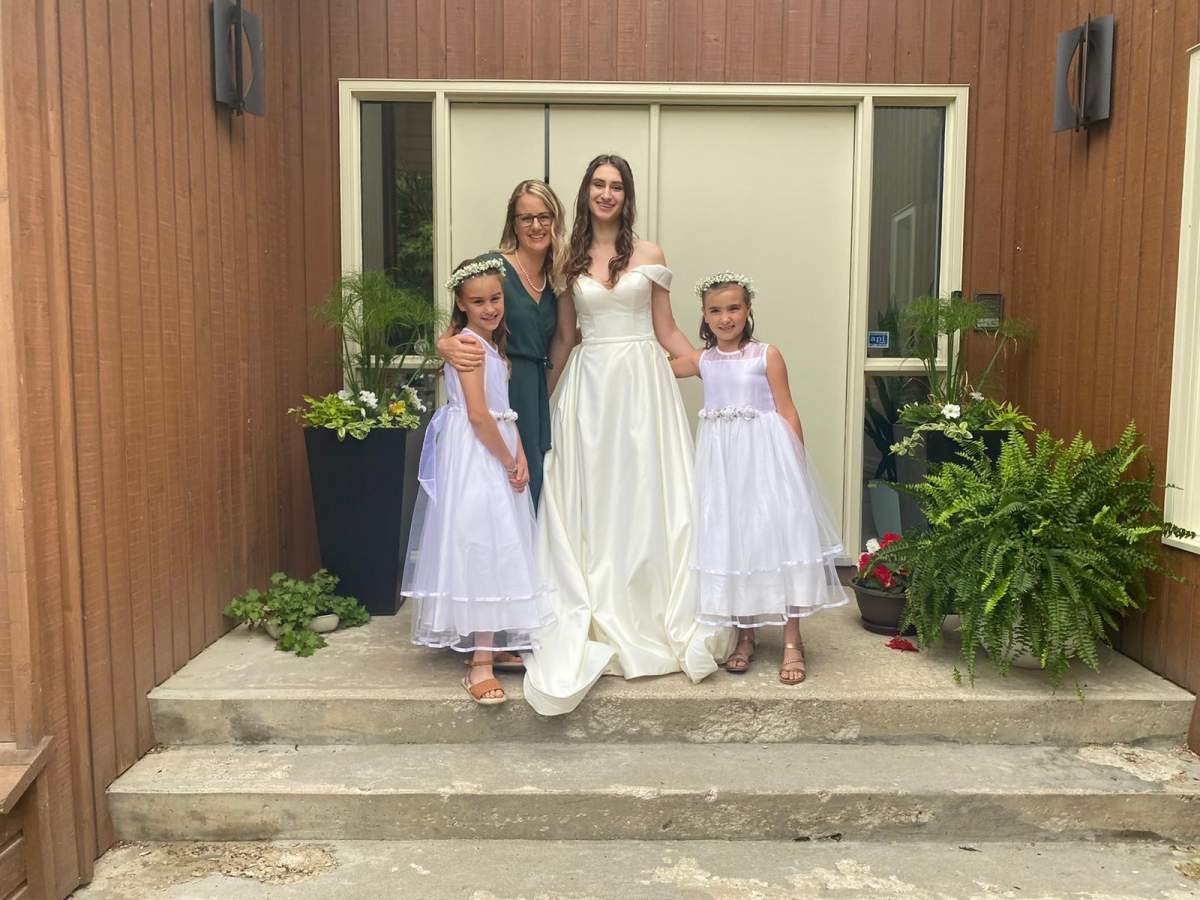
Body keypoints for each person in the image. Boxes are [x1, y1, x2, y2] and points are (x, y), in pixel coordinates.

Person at [522, 155, 730, 716]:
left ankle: (652, 612)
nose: (606, 193)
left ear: (626, 194)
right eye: (598, 184)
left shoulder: (650, 254)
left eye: (616, 185)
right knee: (595, 499)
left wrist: (716, 365)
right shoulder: (566, 260)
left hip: (643, 385)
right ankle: (596, 610)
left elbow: (665, 328)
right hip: (590, 390)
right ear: (586, 191)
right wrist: (540, 402)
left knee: (646, 495)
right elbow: (565, 339)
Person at [670, 272, 848, 682]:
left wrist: (796, 464)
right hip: (723, 465)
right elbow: (653, 368)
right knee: (736, 540)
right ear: (704, 315)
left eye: (733, 308)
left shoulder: (766, 354)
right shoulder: (703, 360)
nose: (725, 318)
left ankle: (791, 641)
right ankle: (745, 635)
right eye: (716, 310)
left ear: (748, 310)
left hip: (766, 459)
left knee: (773, 537)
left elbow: (787, 410)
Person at [402, 257, 553, 705]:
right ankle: (479, 663)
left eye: (496, 299)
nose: (490, 308)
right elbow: (478, 415)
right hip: (479, 457)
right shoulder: (466, 345)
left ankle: (493, 644)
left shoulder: (493, 348)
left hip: (499, 449)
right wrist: (508, 460)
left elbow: (504, 411)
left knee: (502, 544)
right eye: (478, 302)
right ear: (461, 306)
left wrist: (521, 453)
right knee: (484, 546)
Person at [437, 180, 571, 509]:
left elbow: (564, 339)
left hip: (533, 389)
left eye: (544, 216)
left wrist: (543, 389)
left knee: (532, 479)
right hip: (496, 386)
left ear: (556, 220)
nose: (536, 226)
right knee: (495, 484)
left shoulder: (558, 277)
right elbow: (457, 322)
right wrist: (443, 345)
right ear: (514, 222)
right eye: (526, 218)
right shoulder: (493, 267)